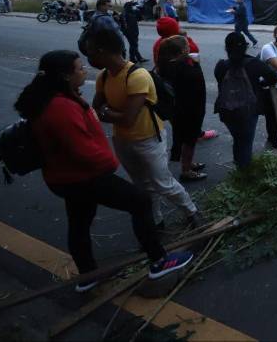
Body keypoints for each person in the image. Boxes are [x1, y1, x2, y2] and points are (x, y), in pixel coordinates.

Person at [15, 50, 193, 290]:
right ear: (66, 76)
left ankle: (88, 276)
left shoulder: (52, 98)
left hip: (64, 176)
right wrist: (109, 164)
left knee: (79, 221)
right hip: (83, 176)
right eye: (79, 68)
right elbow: (81, 148)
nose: (84, 70)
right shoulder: (60, 107)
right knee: (139, 201)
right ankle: (160, 261)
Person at [86, 28, 201, 229]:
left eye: (91, 51)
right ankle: (156, 221)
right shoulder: (103, 77)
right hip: (122, 140)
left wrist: (107, 111)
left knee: (163, 183)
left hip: (148, 139)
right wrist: (109, 113)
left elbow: (127, 118)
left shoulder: (137, 75)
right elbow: (97, 108)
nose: (89, 56)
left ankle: (192, 212)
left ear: (104, 51)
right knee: (142, 185)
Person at [214, 32, 277, 169]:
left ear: (227, 48)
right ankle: (244, 172)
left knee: (238, 139)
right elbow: (273, 77)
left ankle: (240, 165)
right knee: (245, 142)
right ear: (245, 47)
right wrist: (260, 84)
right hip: (247, 111)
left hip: (226, 111)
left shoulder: (221, 66)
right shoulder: (254, 64)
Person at [156, 36, 208, 182]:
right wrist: (197, 64)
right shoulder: (184, 68)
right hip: (189, 111)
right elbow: (199, 83)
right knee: (190, 140)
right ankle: (186, 170)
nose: (189, 47)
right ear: (183, 50)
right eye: (187, 46)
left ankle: (188, 163)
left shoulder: (165, 65)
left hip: (177, 110)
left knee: (184, 139)